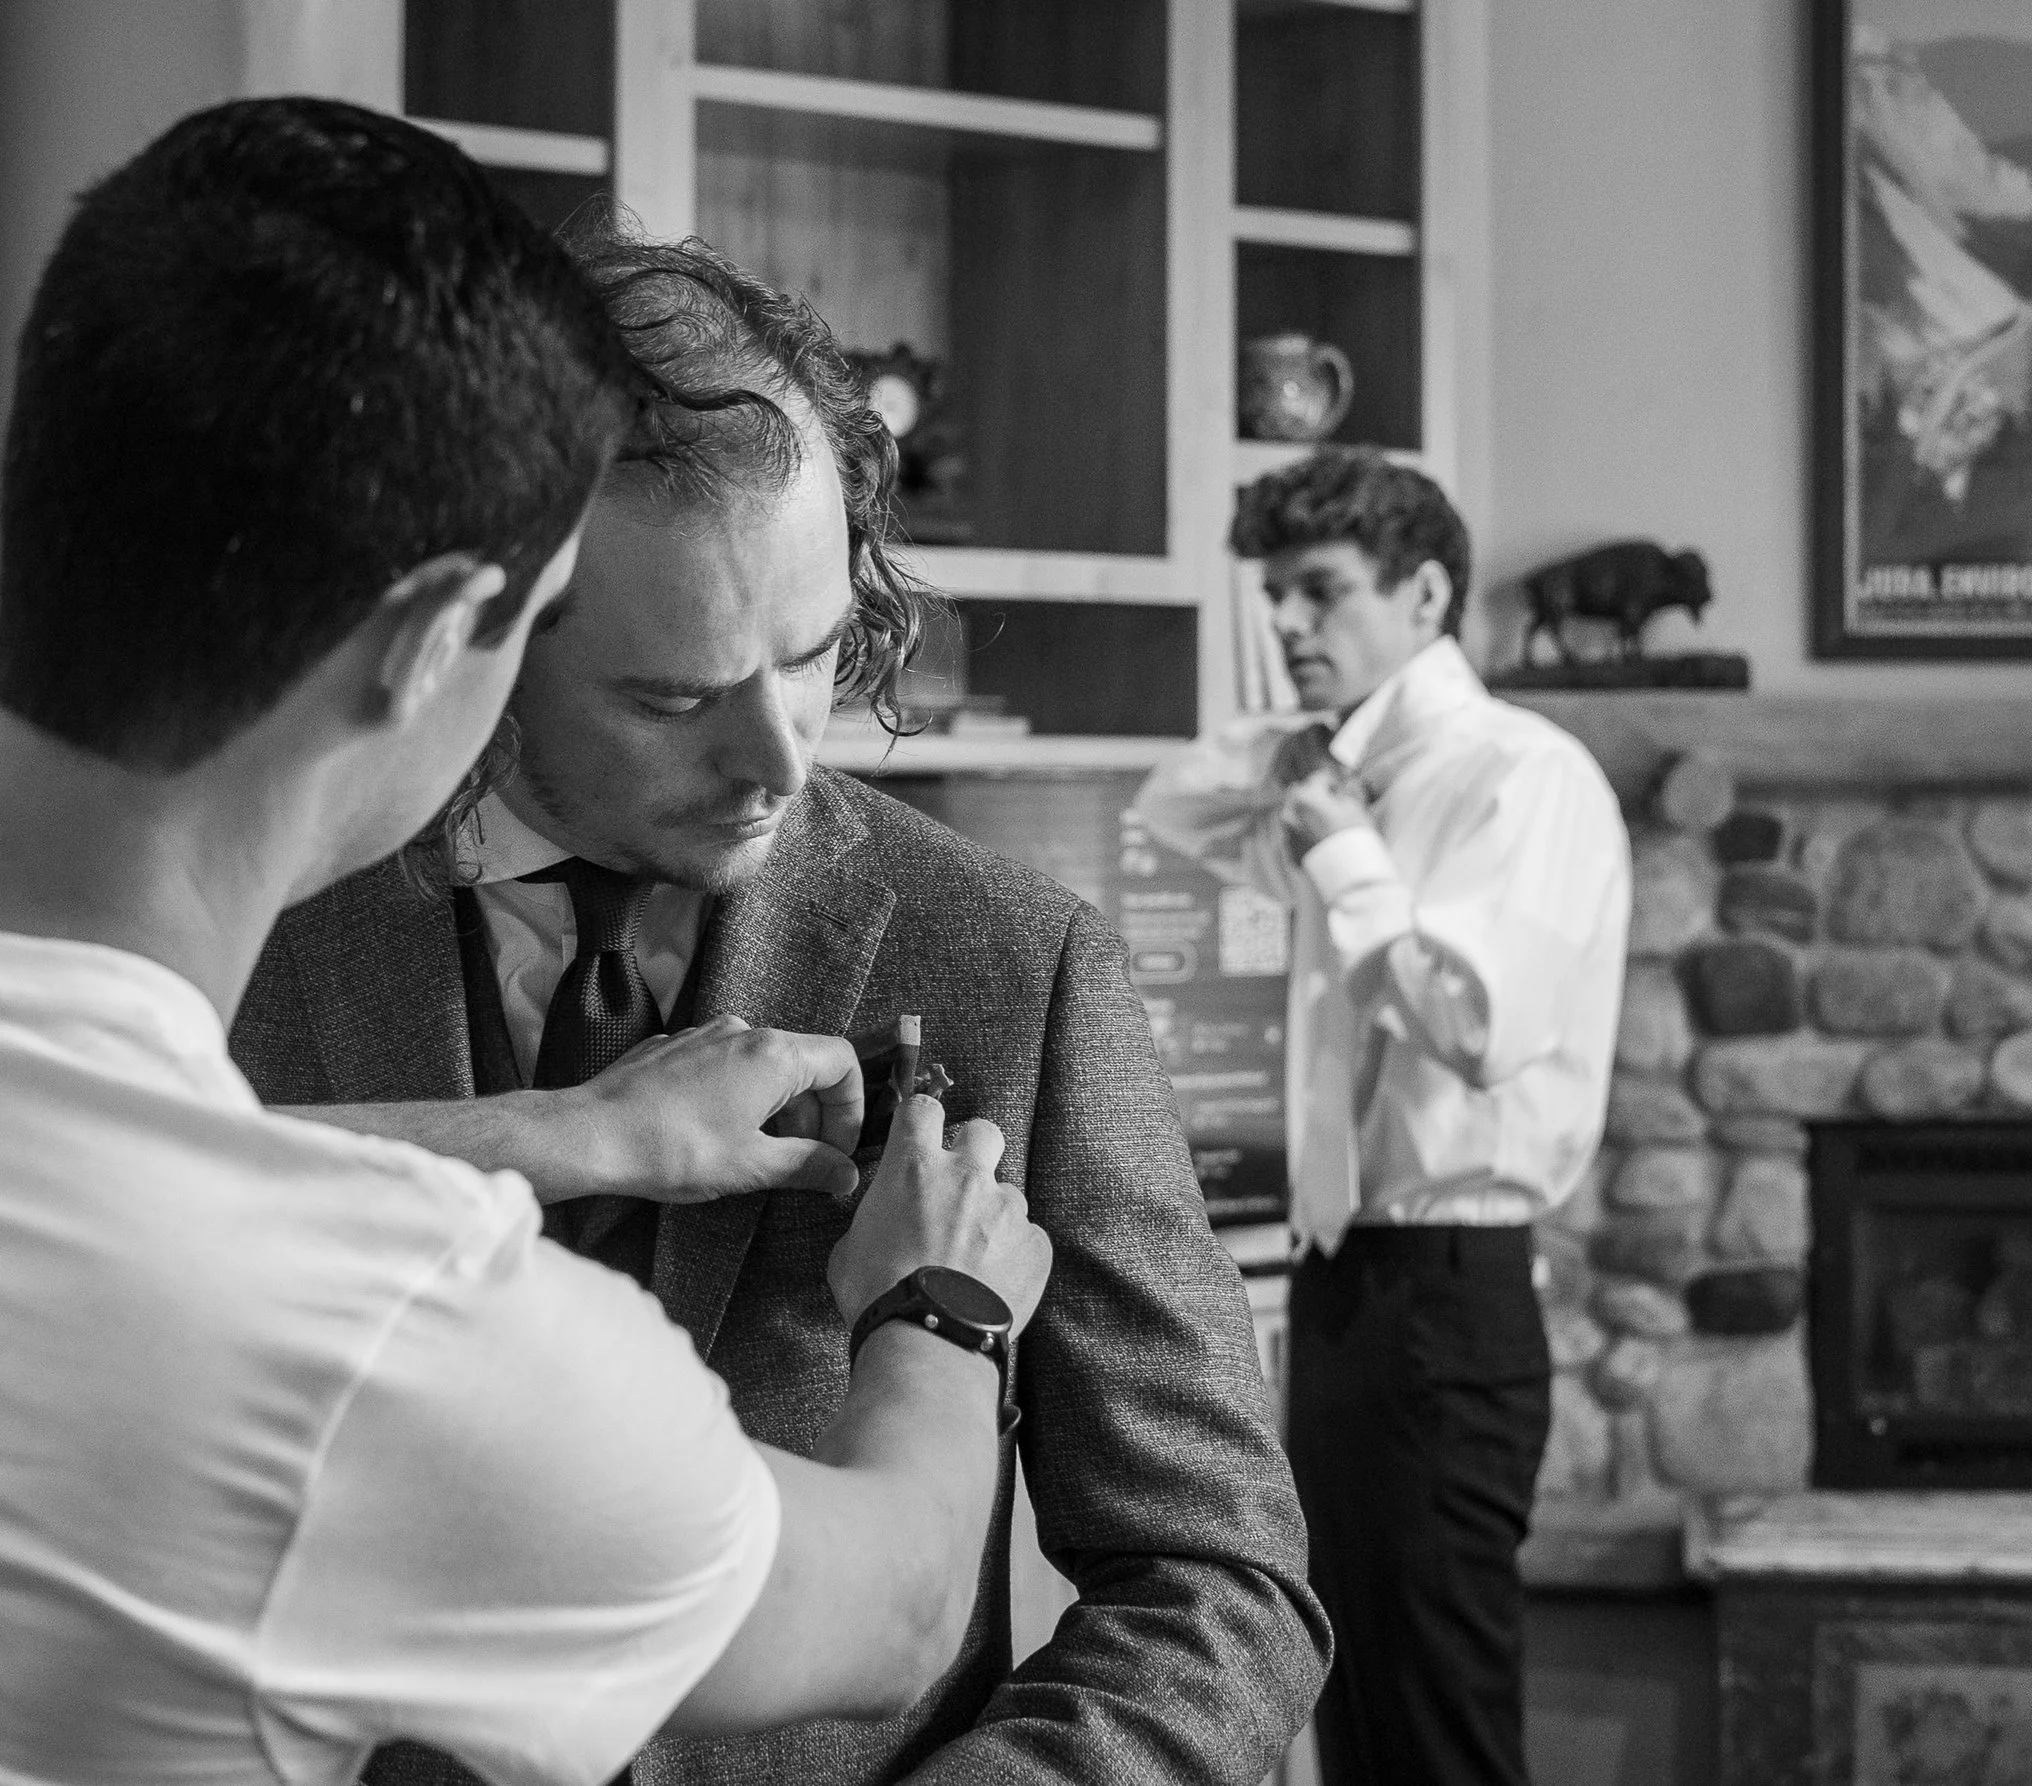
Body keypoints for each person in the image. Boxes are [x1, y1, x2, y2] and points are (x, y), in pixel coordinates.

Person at [0, 99, 1053, 1783]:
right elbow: (897, 1598)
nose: (777, 750)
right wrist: (939, 1310)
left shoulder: (1010, 944)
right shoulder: (372, 1330)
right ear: (437, 644)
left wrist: (540, 1135)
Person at [229, 224, 1329, 1786]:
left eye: (811, 654)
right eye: (671, 697)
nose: (782, 760)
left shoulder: (1011, 955)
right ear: (473, 642)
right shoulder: (250, 910)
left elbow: (1218, 1583)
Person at [1134, 449, 1631, 1786]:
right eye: (1274, 595)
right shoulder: (1329, 778)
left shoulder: (1523, 778)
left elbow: (1486, 1026)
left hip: (1447, 1305)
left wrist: (1347, 853)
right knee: (1353, 1717)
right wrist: (1326, 779)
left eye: (1319, 591)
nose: (1286, 625)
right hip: (1348, 1291)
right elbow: (1172, 802)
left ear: (1424, 594)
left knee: (1439, 1735)